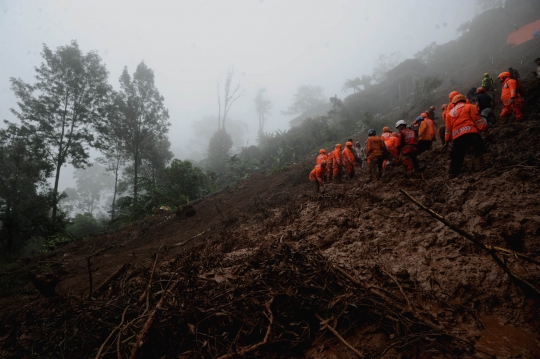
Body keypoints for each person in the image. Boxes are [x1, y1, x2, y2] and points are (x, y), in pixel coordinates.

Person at [444, 94, 487, 178]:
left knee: (456, 156)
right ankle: (479, 170)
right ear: (464, 100)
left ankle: (453, 174)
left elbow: (448, 129)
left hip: (458, 137)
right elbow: (478, 120)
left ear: (454, 103)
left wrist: (446, 141)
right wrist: (484, 130)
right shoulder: (470, 106)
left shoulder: (449, 114)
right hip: (471, 133)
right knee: (476, 151)